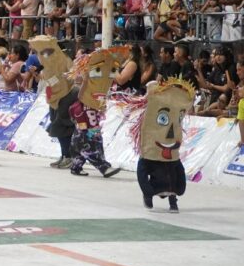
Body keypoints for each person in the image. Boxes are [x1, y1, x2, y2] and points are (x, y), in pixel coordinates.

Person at [129, 79, 196, 212]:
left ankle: (173, 201)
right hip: (154, 175)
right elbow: (142, 172)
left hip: (170, 168)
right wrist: (147, 191)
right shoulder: (148, 157)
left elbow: (179, 170)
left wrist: (181, 187)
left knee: (172, 174)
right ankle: (149, 197)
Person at [68, 48, 126, 178]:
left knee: (82, 136)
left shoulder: (105, 73)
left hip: (92, 106)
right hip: (86, 107)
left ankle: (76, 165)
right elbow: (79, 86)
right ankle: (102, 166)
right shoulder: (89, 72)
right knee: (92, 136)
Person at [29, 36, 76, 169]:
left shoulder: (66, 60)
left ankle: (69, 156)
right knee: (58, 129)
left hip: (65, 98)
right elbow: (44, 80)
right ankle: (64, 155)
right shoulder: (47, 64)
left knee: (64, 128)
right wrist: (35, 74)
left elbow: (73, 77)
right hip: (53, 99)